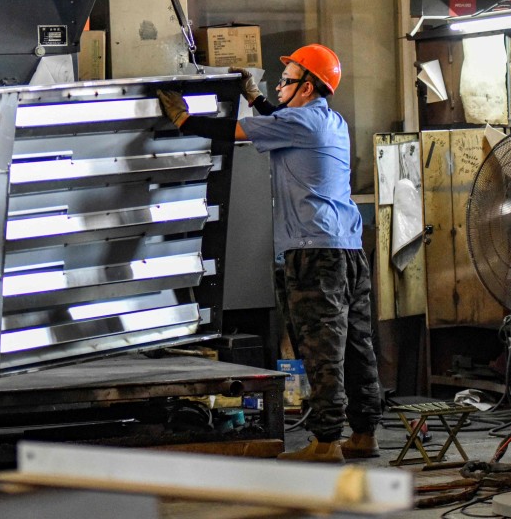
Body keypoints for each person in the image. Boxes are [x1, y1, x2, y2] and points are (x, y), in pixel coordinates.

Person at [157, 44, 382, 464]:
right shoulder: (331, 121)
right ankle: (364, 434)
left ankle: (326, 443)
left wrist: (184, 119)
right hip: (348, 248)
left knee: (321, 349)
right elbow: (277, 122)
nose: (279, 86)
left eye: (287, 79)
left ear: (309, 85)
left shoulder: (299, 122)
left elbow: (235, 133)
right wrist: (252, 95)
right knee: (357, 346)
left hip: (314, 253)